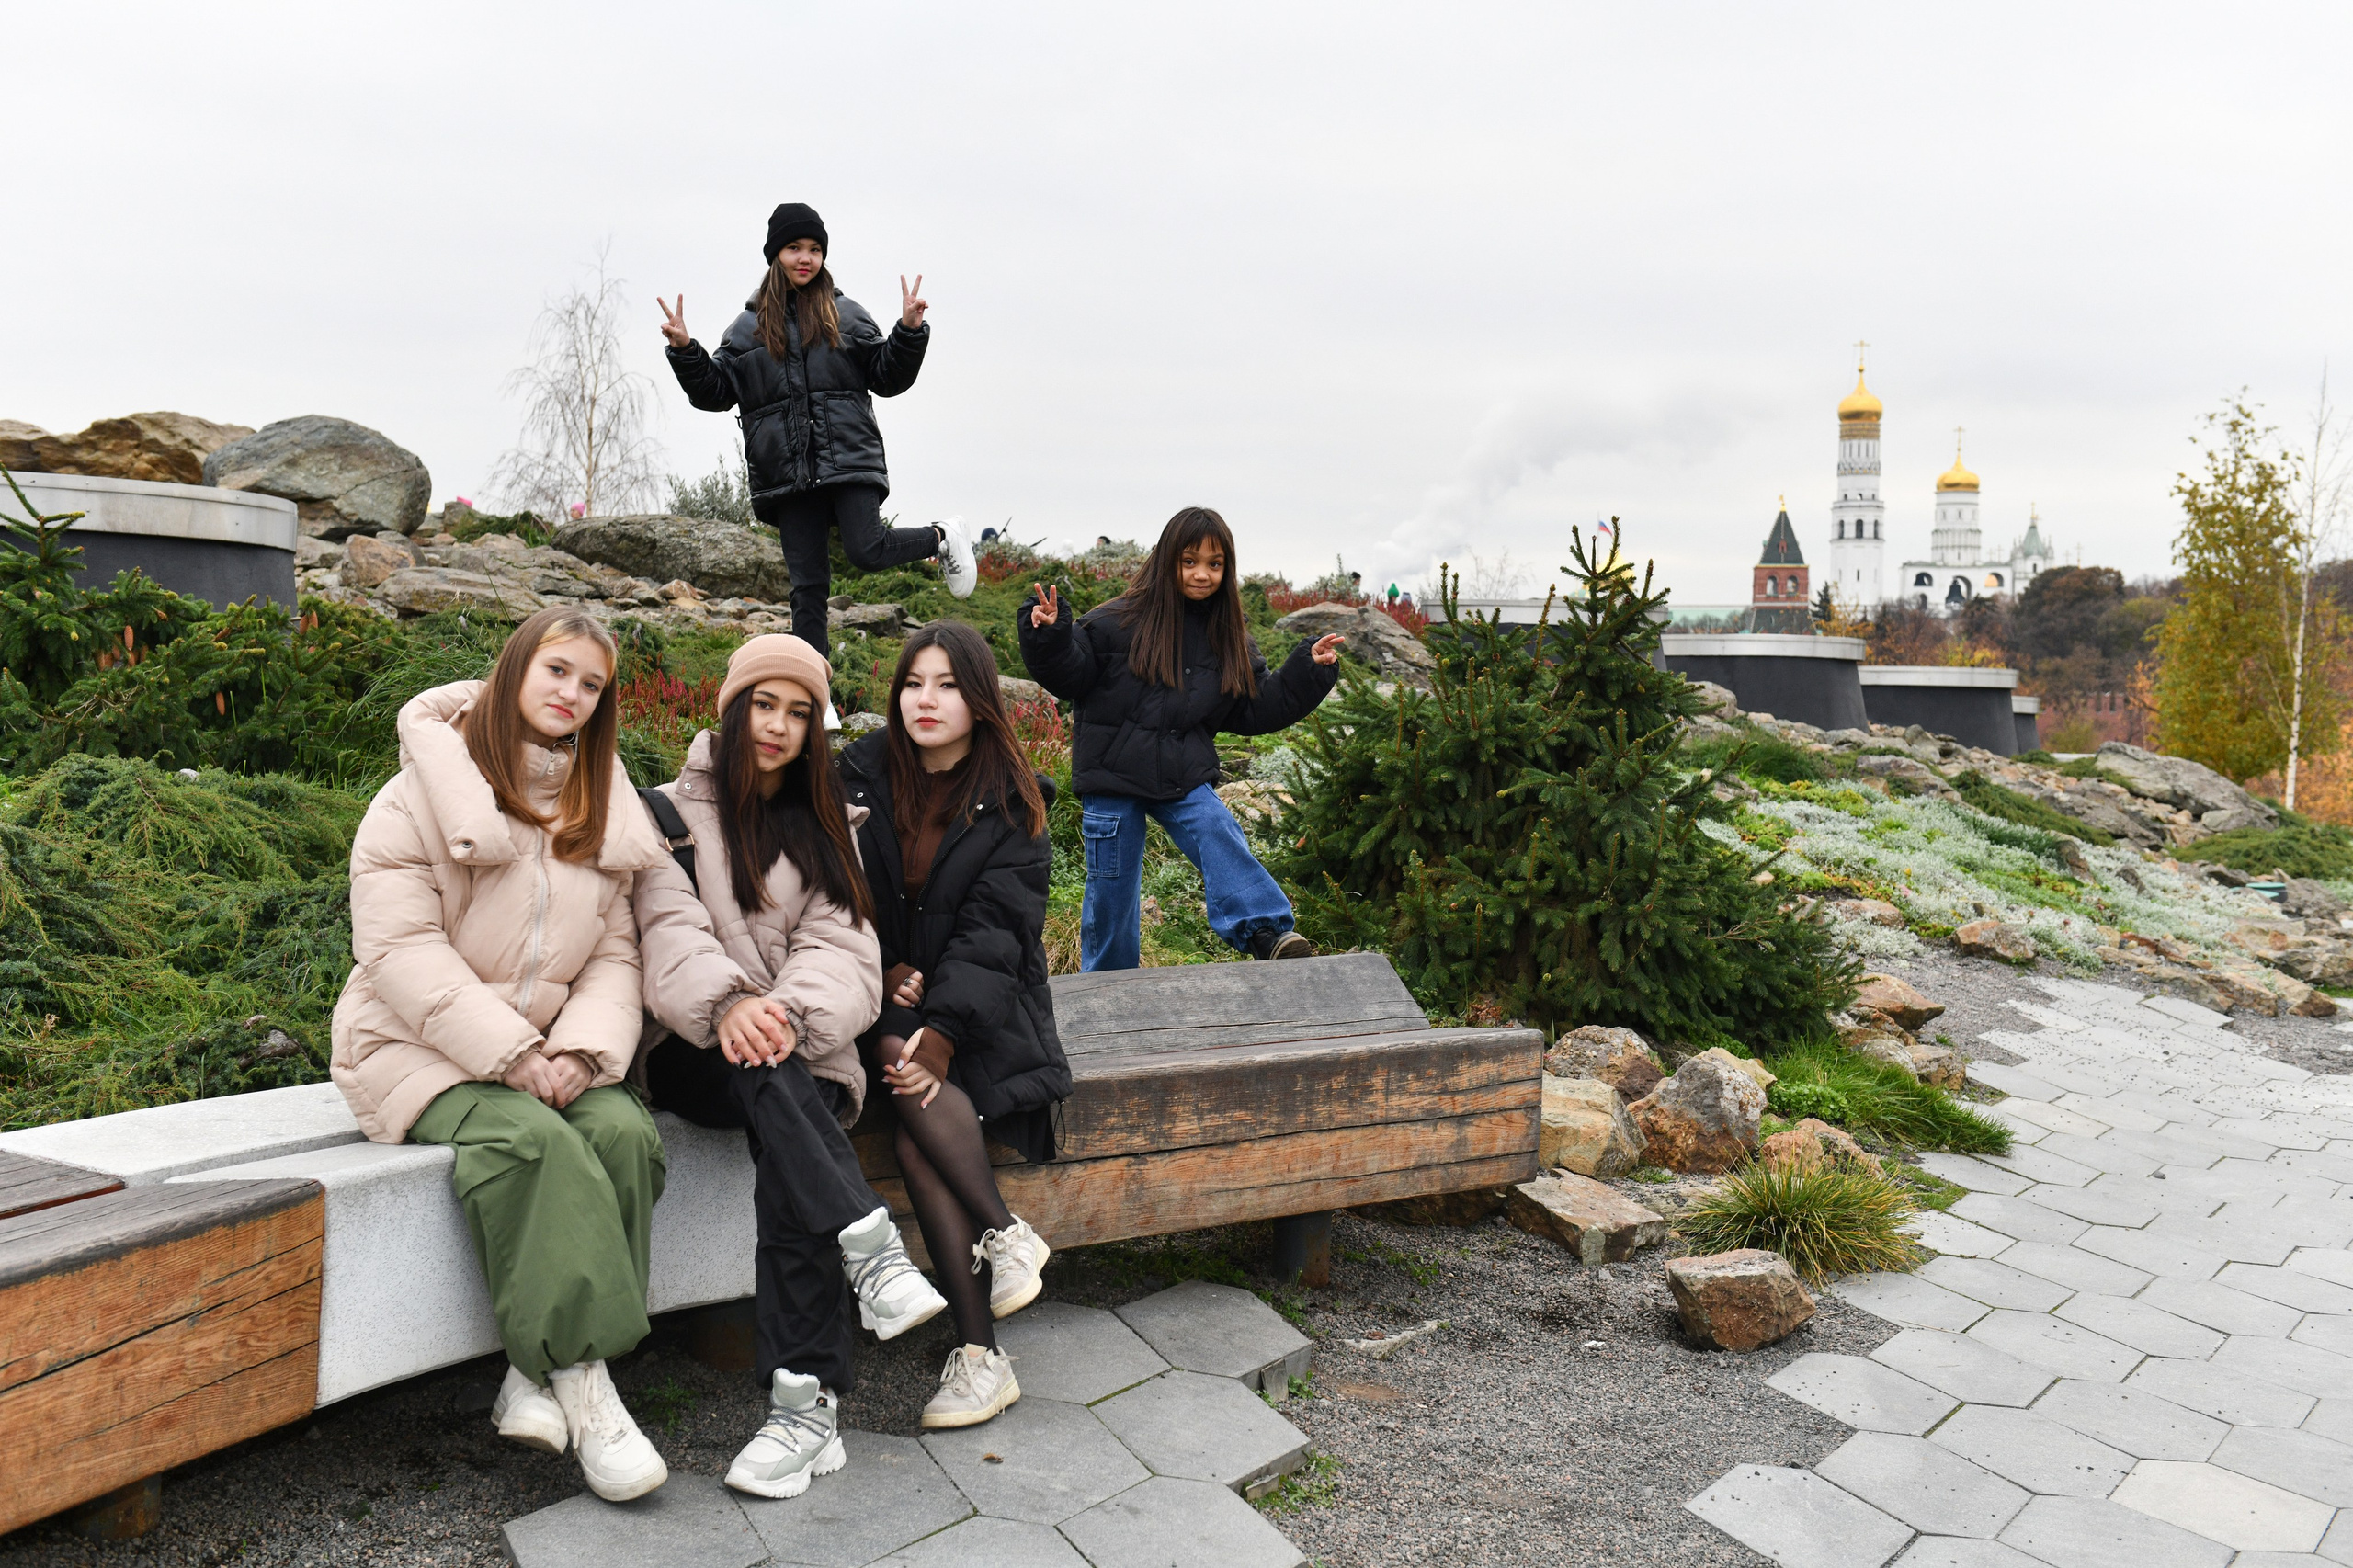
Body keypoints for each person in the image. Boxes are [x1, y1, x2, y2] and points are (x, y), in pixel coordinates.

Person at [330, 607, 673, 1503]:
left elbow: (614, 954)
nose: (571, 693)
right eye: (557, 670)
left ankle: (535, 1371)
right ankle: (591, 1392)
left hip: (548, 1055)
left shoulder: (596, 805)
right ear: (515, 670)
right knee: (534, 1143)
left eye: (591, 683)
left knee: (624, 1133)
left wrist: (580, 1051)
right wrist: (510, 1048)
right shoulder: (415, 796)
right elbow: (398, 953)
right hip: (412, 1049)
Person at [633, 634, 949, 1499]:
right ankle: (868, 1250)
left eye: (799, 712)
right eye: (763, 704)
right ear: (730, 708)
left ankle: (805, 1409)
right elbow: (667, 937)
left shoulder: (831, 830)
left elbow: (845, 954)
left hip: (792, 1053)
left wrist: (781, 1015)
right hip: (693, 1052)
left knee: (784, 1121)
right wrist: (733, 1005)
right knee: (771, 1080)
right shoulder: (659, 815)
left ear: (816, 728)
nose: (777, 725)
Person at [837, 622, 1072, 1429]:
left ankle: (979, 1356)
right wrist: (885, 966)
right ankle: (1002, 1241)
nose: (925, 701)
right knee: (907, 1082)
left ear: (979, 700)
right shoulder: (857, 776)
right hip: (873, 1000)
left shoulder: (1014, 801)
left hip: (984, 1014)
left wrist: (939, 1027)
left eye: (945, 685)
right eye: (913, 684)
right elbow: (834, 899)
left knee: (914, 1129)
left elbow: (995, 935)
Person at [659, 201, 979, 689]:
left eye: (814, 249)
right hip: (786, 473)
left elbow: (887, 376)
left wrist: (909, 332)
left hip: (848, 457)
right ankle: (816, 694)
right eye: (794, 248)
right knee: (807, 591)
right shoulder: (745, 330)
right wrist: (685, 350)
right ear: (775, 255)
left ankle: (942, 535)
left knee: (866, 550)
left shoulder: (847, 314)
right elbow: (716, 393)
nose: (805, 258)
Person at [1017, 506, 1345, 971]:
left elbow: (1254, 706)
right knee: (1111, 893)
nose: (1201, 574)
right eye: (1189, 561)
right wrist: (1049, 635)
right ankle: (1108, 991)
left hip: (1181, 771)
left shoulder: (1228, 636)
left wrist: (1307, 671)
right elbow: (1069, 674)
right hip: (1111, 776)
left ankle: (1265, 932)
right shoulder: (1114, 622)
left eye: (1214, 564)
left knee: (1217, 829)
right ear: (1167, 559)